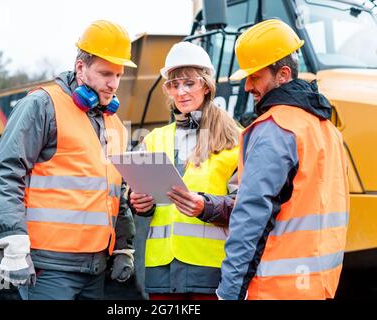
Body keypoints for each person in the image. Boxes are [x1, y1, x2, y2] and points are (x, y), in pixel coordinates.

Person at [0, 20, 137, 300]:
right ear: (81, 68)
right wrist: (13, 242)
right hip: (50, 269)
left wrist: (123, 246)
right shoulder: (42, 105)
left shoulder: (115, 124)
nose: (113, 84)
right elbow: (5, 174)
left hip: (95, 269)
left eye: (118, 74)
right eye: (105, 73)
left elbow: (117, 193)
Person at [216, 19, 349, 300]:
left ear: (283, 74)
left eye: (255, 76)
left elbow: (251, 218)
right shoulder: (328, 130)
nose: (248, 86)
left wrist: (228, 292)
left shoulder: (274, 128)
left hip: (275, 289)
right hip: (319, 286)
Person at [129, 42, 240, 300]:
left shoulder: (236, 141)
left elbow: (247, 208)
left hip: (210, 271)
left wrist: (205, 206)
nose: (181, 92)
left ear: (206, 85)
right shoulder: (154, 139)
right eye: (173, 84)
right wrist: (139, 203)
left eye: (189, 83)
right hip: (161, 273)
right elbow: (142, 199)